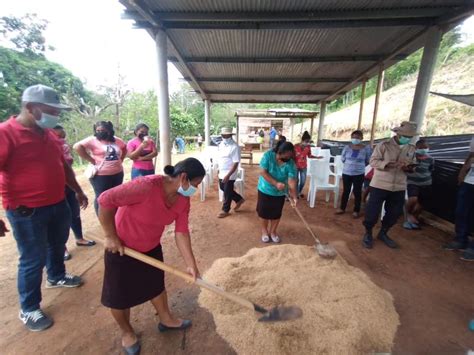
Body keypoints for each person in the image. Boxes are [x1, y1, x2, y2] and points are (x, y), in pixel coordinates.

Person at [0, 84, 88, 331]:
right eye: (52, 111)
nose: (56, 116)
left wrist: (78, 190)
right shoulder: (5, 133)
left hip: (57, 203)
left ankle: (57, 276)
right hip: (26, 211)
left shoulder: (49, 135)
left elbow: (64, 167)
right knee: (32, 259)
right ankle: (29, 309)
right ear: (30, 108)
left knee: (57, 245)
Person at [97, 158, 205, 354]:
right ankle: (127, 332)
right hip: (122, 248)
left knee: (156, 286)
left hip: (151, 246)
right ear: (183, 178)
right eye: (195, 184)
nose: (195, 189)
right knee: (119, 297)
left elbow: (181, 232)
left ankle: (166, 319)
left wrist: (191, 264)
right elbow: (105, 200)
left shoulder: (183, 199)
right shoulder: (145, 186)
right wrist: (110, 236)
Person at [361, 121, 417, 249]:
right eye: (405, 136)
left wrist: (409, 168)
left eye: (410, 137)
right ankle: (368, 233)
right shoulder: (383, 145)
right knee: (372, 212)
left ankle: (383, 232)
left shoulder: (411, 148)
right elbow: (373, 161)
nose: (407, 139)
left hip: (399, 186)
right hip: (380, 184)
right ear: (398, 134)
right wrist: (390, 164)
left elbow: (413, 165)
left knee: (394, 213)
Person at [53, 125, 96, 261]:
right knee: (59, 219)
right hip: (55, 187)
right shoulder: (46, 147)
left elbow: (67, 168)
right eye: (59, 136)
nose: (62, 139)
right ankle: (62, 247)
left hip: (69, 185)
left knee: (75, 212)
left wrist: (78, 190)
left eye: (63, 137)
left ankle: (79, 238)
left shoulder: (63, 146)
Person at [74, 121, 127, 215]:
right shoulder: (92, 140)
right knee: (101, 197)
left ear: (109, 130)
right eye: (97, 130)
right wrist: (91, 160)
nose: (100, 132)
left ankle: (114, 216)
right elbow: (77, 147)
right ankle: (102, 218)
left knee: (116, 195)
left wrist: (121, 159)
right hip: (100, 175)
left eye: (102, 130)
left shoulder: (116, 140)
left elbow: (124, 147)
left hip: (117, 173)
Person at [257, 141, 298, 244]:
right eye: (285, 155)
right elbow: (262, 171)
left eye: (289, 156)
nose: (287, 158)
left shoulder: (291, 163)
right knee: (264, 213)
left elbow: (291, 182)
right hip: (265, 189)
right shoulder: (268, 155)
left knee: (276, 214)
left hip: (280, 193)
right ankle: (264, 231)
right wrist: (275, 183)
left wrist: (294, 197)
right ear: (279, 151)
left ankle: (273, 232)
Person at [444, 126, 474, 261]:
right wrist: (462, 172)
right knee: (461, 211)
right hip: (469, 181)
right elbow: (472, 155)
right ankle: (461, 239)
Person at [336, 130, 372, 218]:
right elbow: (343, 158)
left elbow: (368, 160)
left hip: (359, 173)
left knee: (357, 191)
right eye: (353, 137)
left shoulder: (366, 148)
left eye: (357, 137)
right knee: (346, 191)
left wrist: (358, 166)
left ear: (362, 138)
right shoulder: (347, 147)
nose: (355, 139)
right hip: (346, 172)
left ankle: (356, 210)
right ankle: (342, 208)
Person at [403, 139, 434, 230]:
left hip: (426, 183)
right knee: (413, 199)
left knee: (421, 203)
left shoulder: (430, 159)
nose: (424, 149)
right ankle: (408, 216)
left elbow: (431, 170)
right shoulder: (411, 158)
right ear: (416, 148)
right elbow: (405, 168)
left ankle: (413, 219)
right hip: (412, 182)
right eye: (421, 148)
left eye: (425, 147)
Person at [216, 127, 245, 218]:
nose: (224, 136)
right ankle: (239, 199)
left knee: (227, 191)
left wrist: (228, 175)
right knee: (222, 187)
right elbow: (221, 158)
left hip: (230, 172)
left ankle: (225, 210)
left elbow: (236, 162)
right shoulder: (221, 144)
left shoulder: (235, 147)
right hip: (222, 171)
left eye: (226, 135)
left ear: (230, 135)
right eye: (223, 135)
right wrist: (218, 169)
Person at [294, 131, 315, 198]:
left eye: (308, 141)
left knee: (303, 181)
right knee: (296, 181)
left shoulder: (308, 147)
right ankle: (297, 193)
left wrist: (317, 157)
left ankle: (299, 191)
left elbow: (309, 155)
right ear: (302, 140)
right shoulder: (295, 146)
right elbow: (291, 156)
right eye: (306, 141)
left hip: (304, 166)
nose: (307, 143)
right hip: (295, 166)